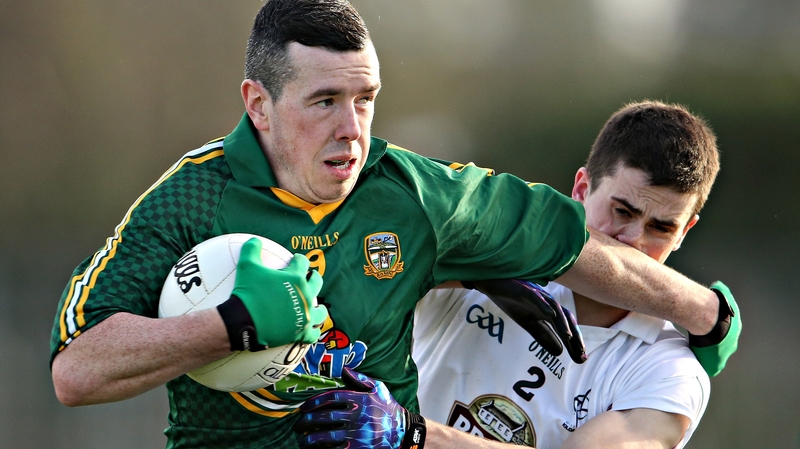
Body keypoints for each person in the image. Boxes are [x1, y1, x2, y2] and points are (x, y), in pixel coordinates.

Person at [50, 1, 734, 447]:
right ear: (258, 104)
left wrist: (707, 312)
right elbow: (75, 372)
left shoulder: (416, 194)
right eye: (324, 100)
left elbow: (577, 248)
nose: (352, 129)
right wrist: (229, 325)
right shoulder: (190, 199)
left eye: (366, 99)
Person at [293, 101, 740, 449]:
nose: (633, 241)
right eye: (622, 211)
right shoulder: (491, 251)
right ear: (581, 189)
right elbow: (361, 247)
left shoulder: (671, 370)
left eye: (661, 228)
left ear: (686, 232)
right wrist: (475, 273)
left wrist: (412, 436)